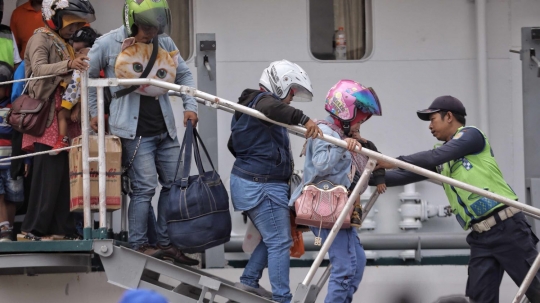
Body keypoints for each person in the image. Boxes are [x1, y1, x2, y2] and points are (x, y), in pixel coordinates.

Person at [374, 96, 540, 302]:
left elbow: (434, 157)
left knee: (536, 290)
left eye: (432, 119)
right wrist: (363, 177)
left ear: (449, 117)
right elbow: (403, 175)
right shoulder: (441, 158)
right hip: (480, 237)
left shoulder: (472, 136)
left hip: (507, 227)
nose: (430, 126)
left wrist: (393, 161)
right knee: (479, 298)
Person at [87, 0, 198, 266]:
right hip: (132, 130)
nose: (152, 32)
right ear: (132, 22)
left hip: (165, 129)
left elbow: (184, 75)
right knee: (144, 188)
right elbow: (88, 80)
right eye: (147, 27)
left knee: (173, 187)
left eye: (156, 27)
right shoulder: (106, 44)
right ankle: (139, 245)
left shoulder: (166, 42)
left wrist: (189, 106)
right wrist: (94, 112)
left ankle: (164, 243)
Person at [228, 59, 322, 303]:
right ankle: (282, 298)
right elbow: (274, 107)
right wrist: (305, 120)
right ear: (279, 86)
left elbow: (234, 145)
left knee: (275, 238)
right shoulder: (261, 102)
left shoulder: (256, 108)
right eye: (291, 92)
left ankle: (249, 280)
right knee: (280, 240)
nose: (291, 99)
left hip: (259, 183)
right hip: (261, 185)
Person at [290, 79, 382, 303]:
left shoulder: (340, 133)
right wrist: (344, 147)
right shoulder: (324, 130)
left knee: (357, 262)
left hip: (338, 208)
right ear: (347, 111)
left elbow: (358, 170)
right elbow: (322, 164)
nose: (361, 122)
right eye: (360, 117)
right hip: (324, 206)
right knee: (345, 267)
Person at [18, 0, 95, 241]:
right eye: (70, 23)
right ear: (54, 17)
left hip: (67, 111)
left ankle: (62, 228)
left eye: (77, 24)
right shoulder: (40, 38)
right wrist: (69, 63)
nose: (74, 29)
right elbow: (38, 69)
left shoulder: (63, 41)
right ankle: (32, 228)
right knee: (48, 174)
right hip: (50, 114)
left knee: (66, 175)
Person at [0, 62, 25, 242]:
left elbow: (20, 133)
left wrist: (27, 161)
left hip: (12, 160)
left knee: (12, 197)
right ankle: (3, 229)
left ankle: (6, 231)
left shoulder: (14, 106)